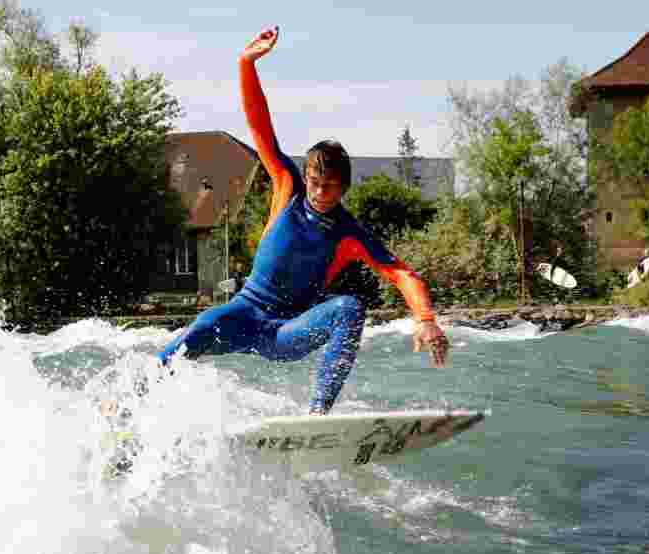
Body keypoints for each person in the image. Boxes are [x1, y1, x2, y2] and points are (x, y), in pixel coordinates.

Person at [111, 26, 448, 418]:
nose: (320, 193)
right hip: (243, 315)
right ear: (307, 178)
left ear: (344, 188)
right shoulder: (287, 186)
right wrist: (246, 64)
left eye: (330, 187)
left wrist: (425, 319)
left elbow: (402, 274)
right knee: (202, 325)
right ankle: (129, 405)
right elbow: (260, 127)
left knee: (349, 308)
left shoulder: (348, 233)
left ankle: (318, 416)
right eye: (316, 183)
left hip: (286, 333)